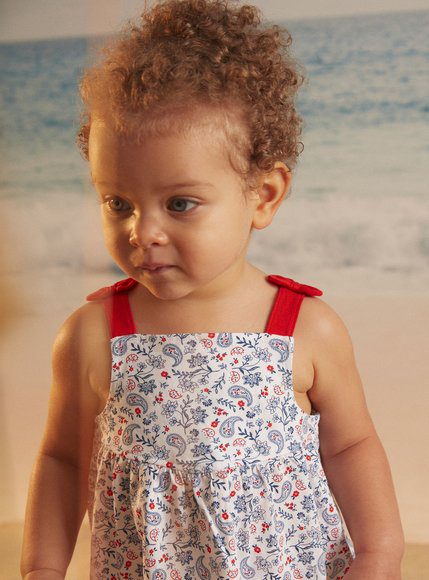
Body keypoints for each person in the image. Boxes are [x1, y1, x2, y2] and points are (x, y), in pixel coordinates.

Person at [21, 1, 404, 578]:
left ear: (263, 195)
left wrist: (379, 554)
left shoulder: (304, 327)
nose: (143, 231)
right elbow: (62, 460)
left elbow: (351, 447)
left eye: (180, 203)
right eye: (118, 202)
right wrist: (42, 569)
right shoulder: (94, 334)